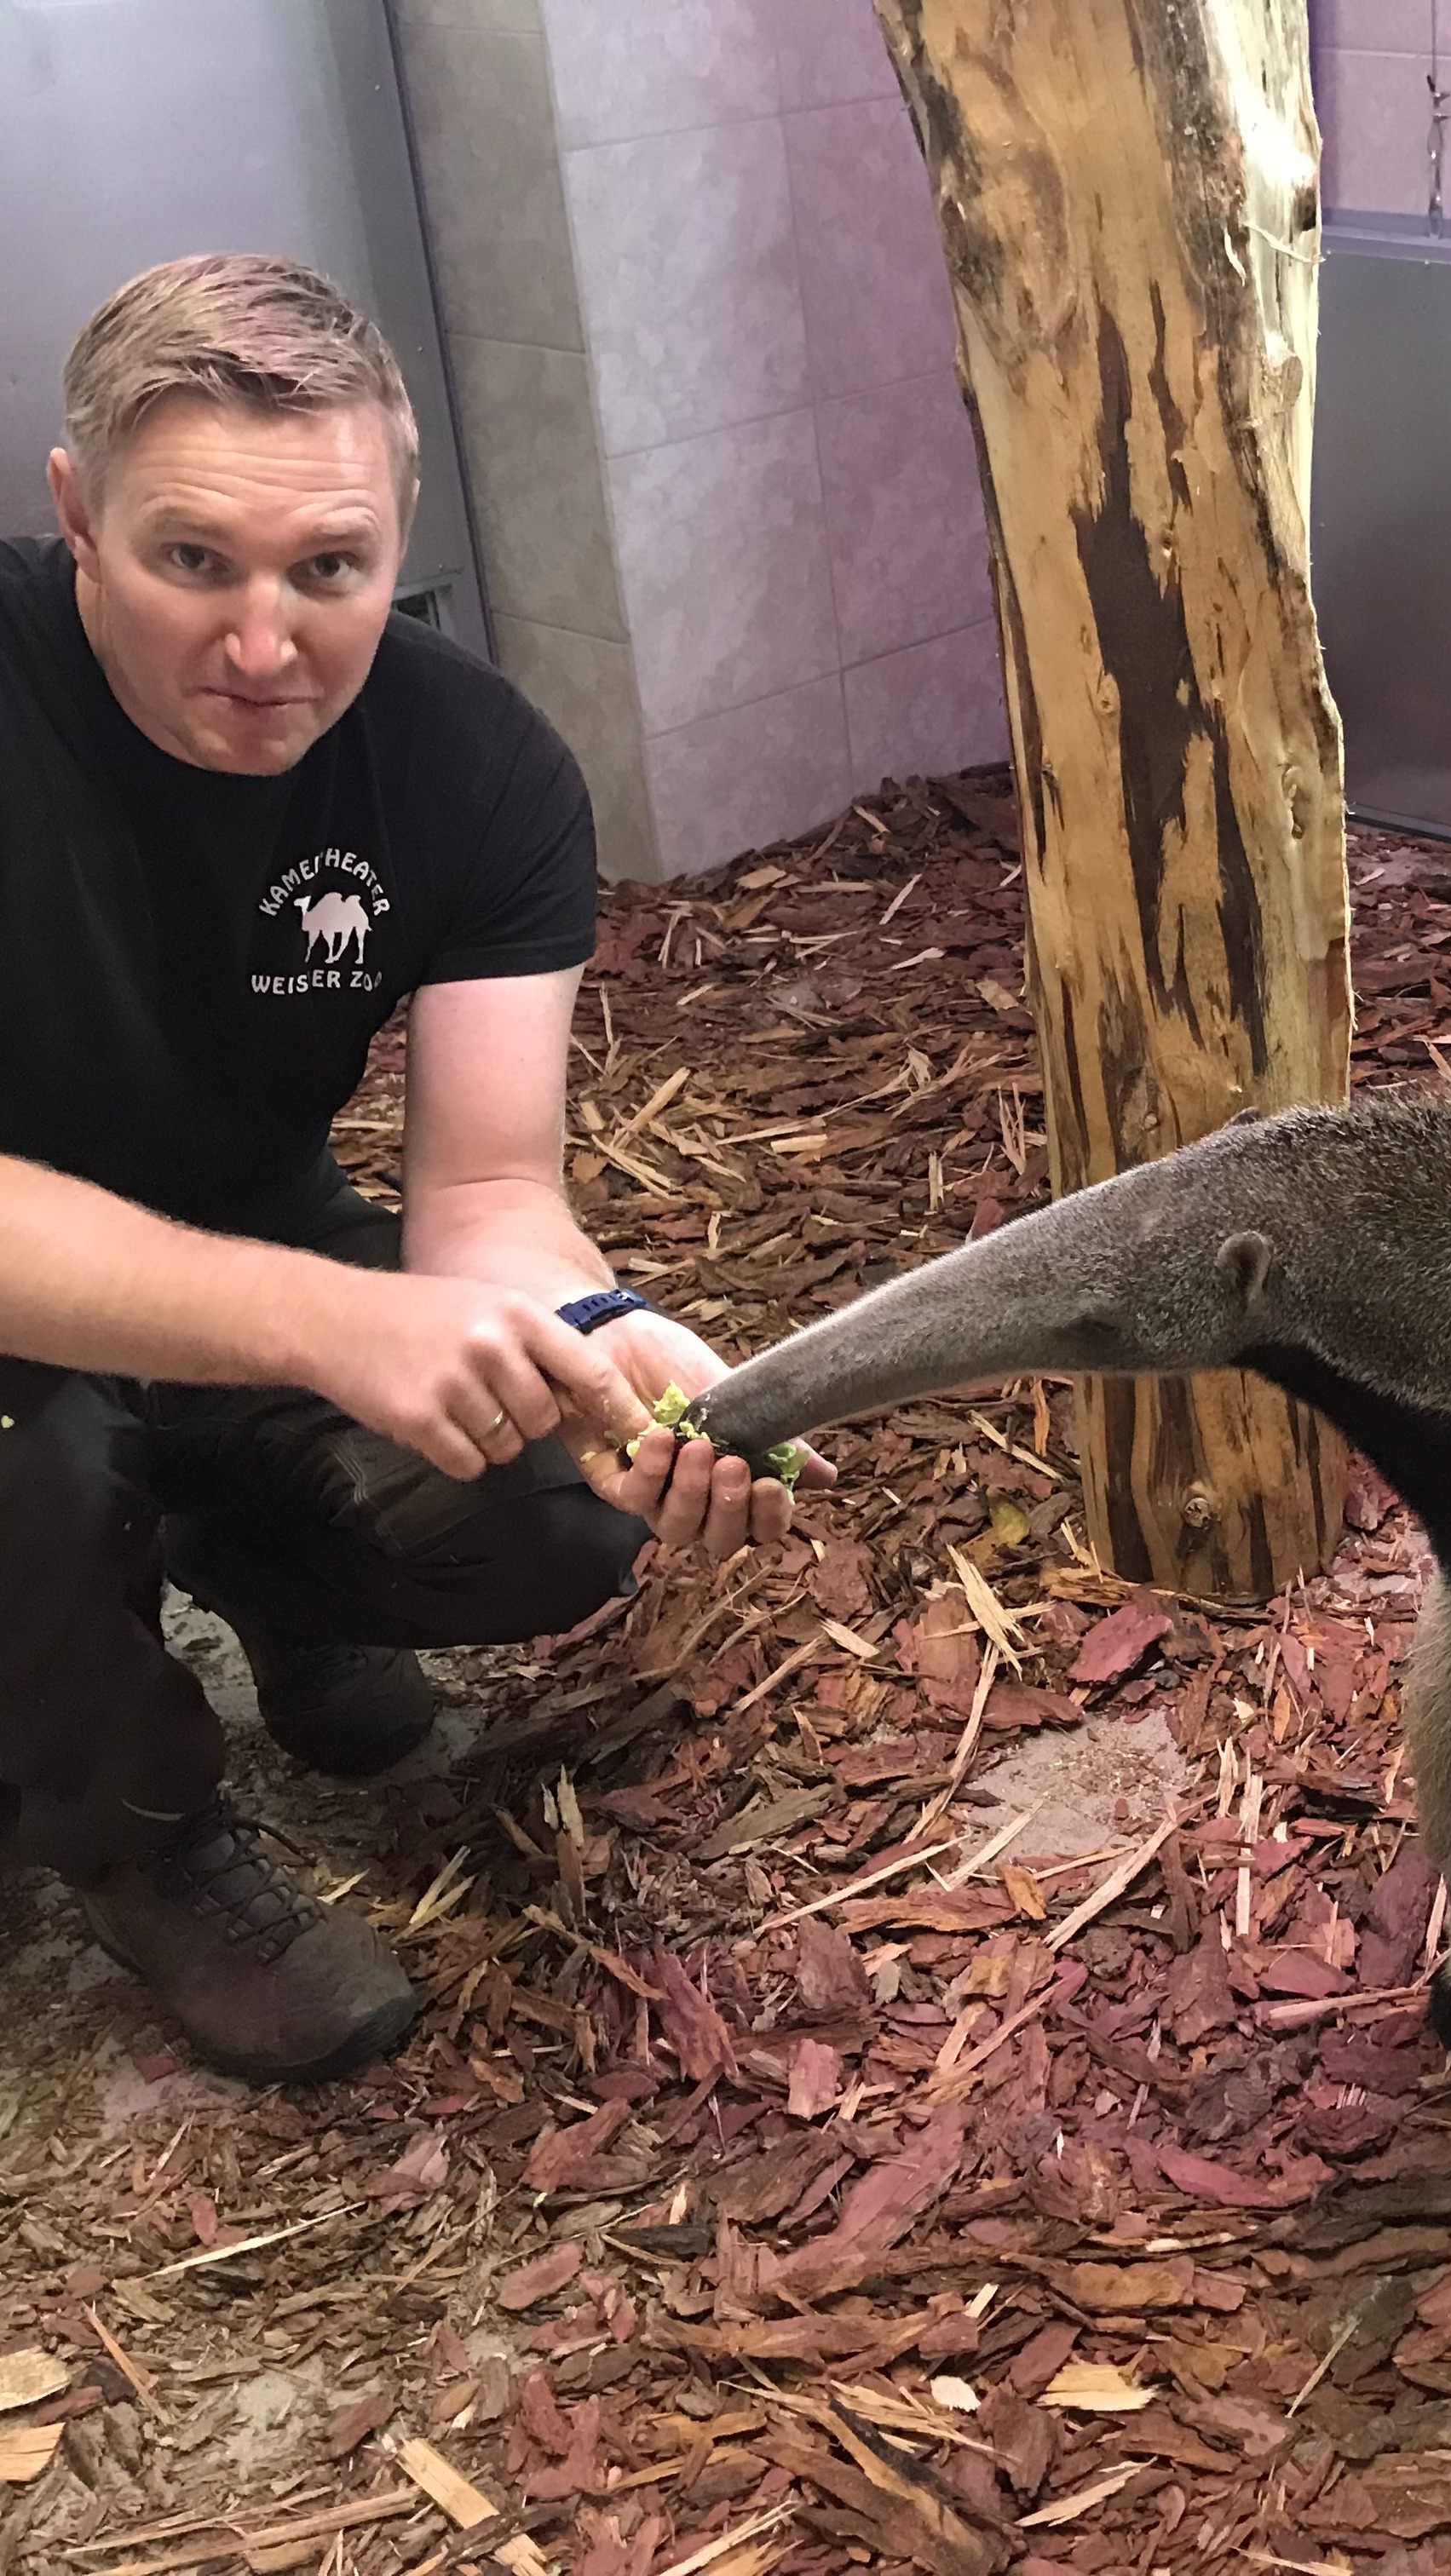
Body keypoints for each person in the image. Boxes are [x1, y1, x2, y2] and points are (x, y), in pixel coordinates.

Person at [0, 255, 831, 2085]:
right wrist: (326, 1324)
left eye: (330, 569)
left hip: (245, 1228)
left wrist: (601, 1332)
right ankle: (140, 1836)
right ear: (77, 516)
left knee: (549, 1494)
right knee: (24, 1453)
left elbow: (487, 1199)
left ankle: (259, 1574)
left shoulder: (476, 767)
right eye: (192, 559)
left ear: (399, 533)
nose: (264, 647)